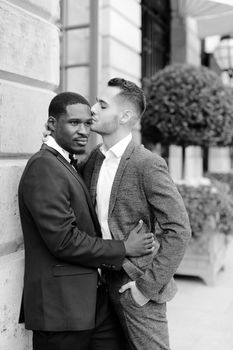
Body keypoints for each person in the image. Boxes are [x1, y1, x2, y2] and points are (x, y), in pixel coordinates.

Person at [18, 91, 155, 350]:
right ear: (51, 125)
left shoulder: (67, 163)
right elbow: (64, 241)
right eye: (73, 123)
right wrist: (125, 248)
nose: (83, 130)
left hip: (92, 302)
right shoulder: (43, 167)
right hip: (61, 310)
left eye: (87, 123)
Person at [81, 78, 192, 350]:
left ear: (125, 116)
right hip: (101, 284)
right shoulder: (95, 158)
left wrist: (145, 288)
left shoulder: (147, 164)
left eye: (102, 105)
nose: (92, 109)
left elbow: (179, 229)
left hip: (136, 286)